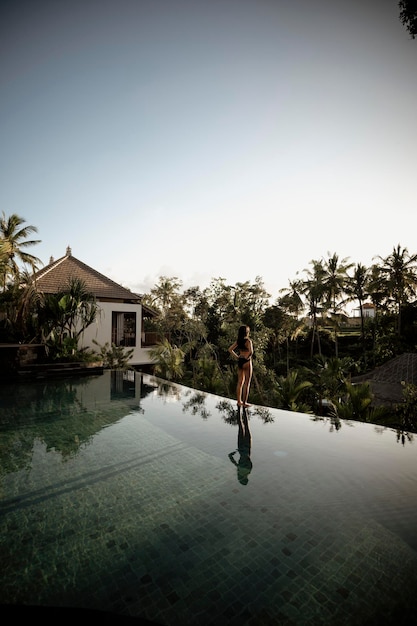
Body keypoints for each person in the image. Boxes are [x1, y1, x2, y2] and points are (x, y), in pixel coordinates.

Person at [228, 325, 253, 407]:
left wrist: (237, 357)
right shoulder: (248, 341)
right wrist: (247, 357)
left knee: (240, 382)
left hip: (240, 361)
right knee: (247, 383)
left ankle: (239, 401)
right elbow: (251, 352)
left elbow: (230, 349)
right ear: (246, 332)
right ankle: (245, 403)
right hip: (246, 361)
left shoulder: (239, 341)